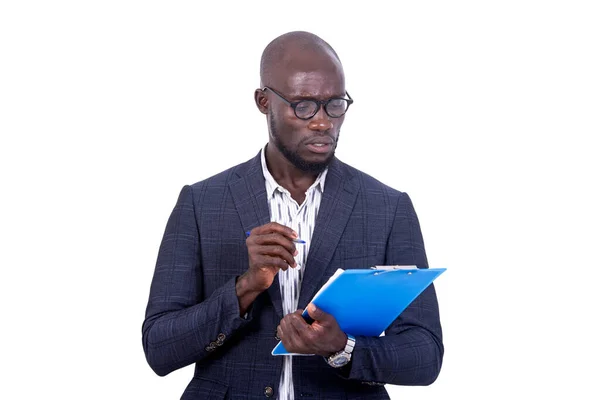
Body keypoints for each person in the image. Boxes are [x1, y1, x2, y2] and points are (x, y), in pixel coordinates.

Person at [142, 31, 443, 400]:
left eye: (335, 104)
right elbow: (159, 348)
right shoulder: (202, 203)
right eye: (303, 106)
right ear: (264, 101)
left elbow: (425, 354)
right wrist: (246, 287)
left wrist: (343, 348)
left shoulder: (386, 207)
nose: (322, 122)